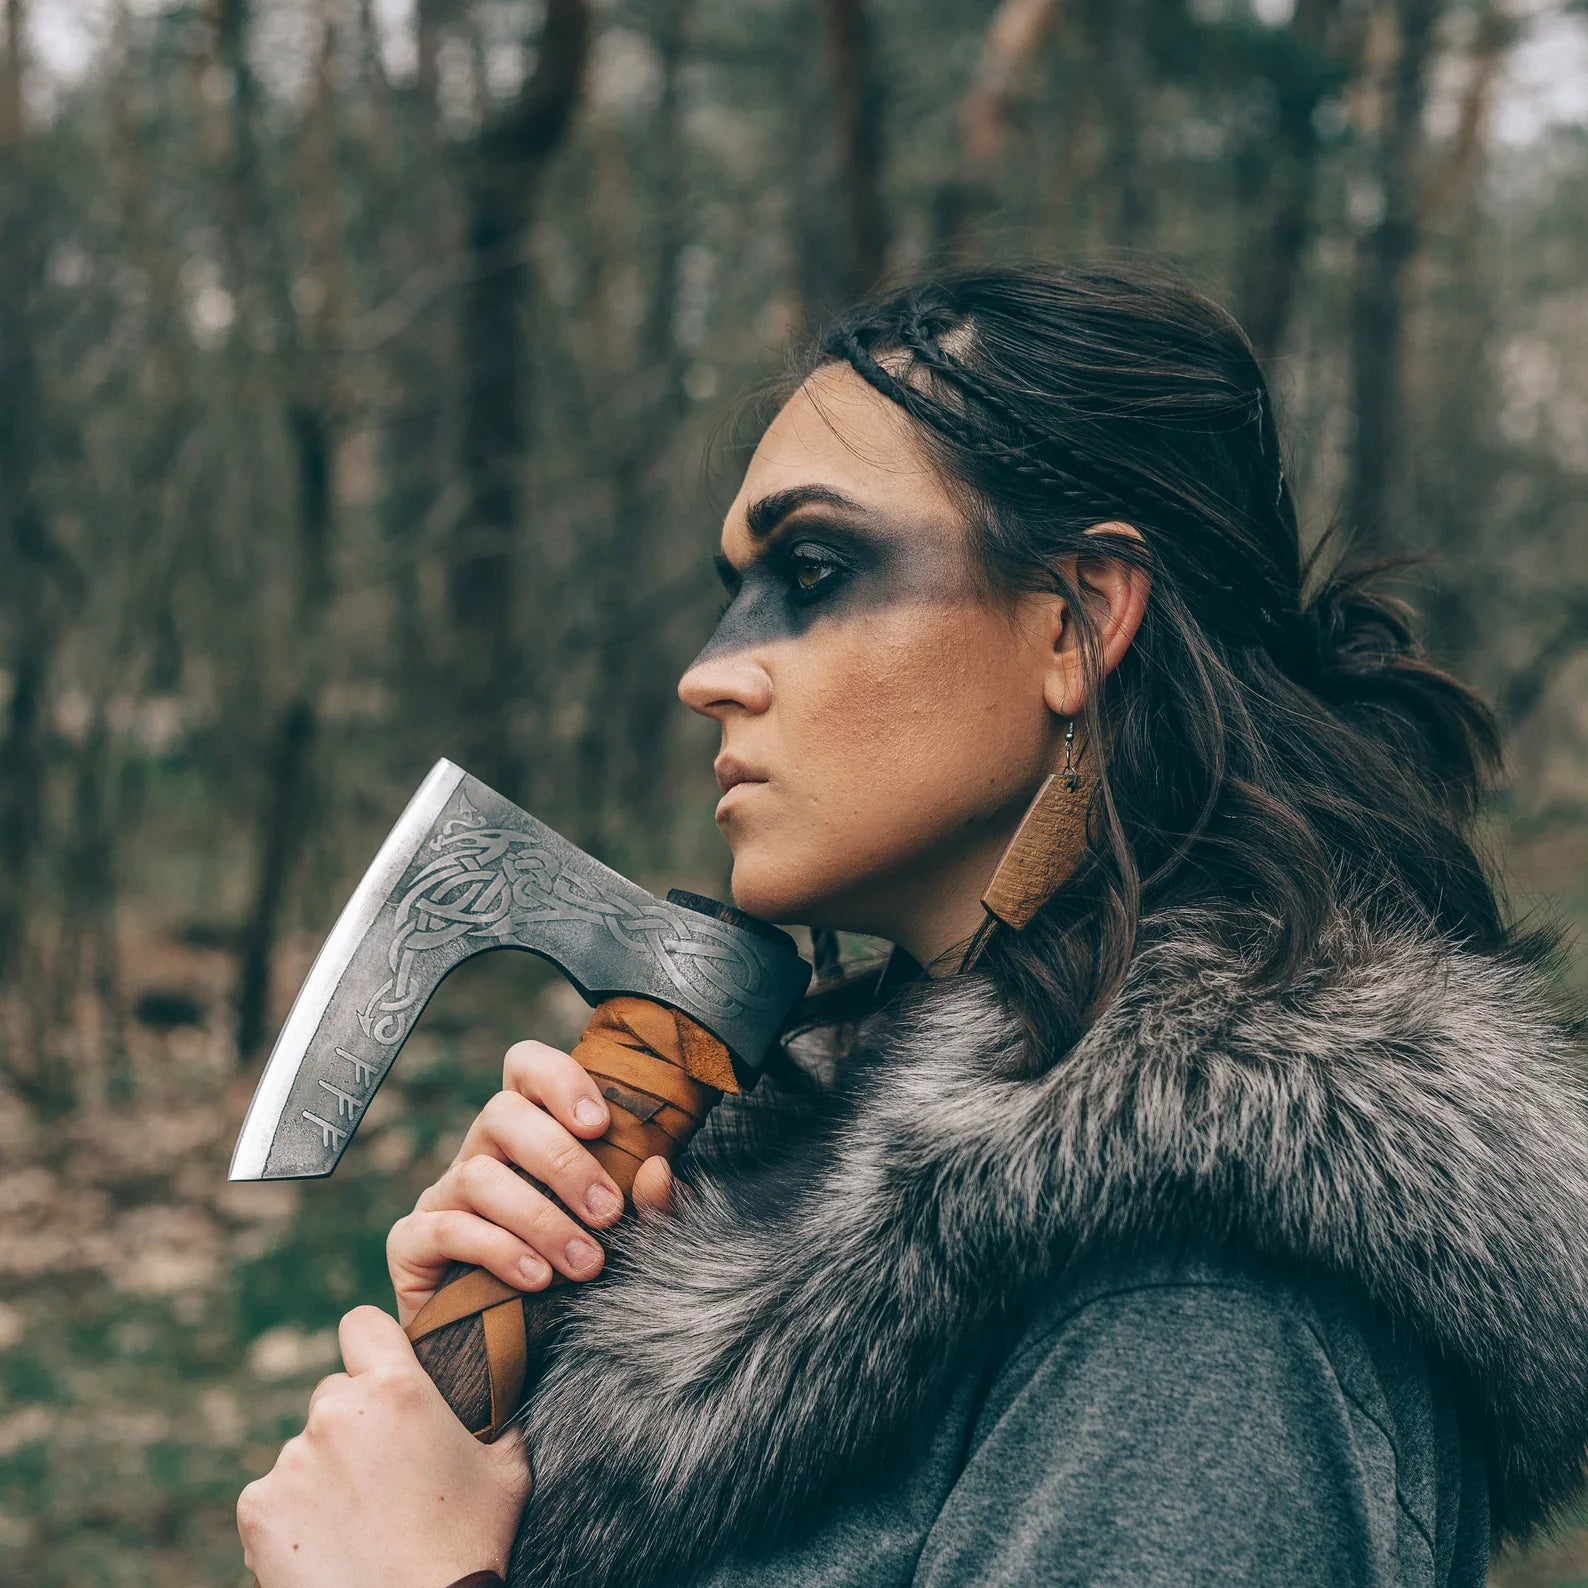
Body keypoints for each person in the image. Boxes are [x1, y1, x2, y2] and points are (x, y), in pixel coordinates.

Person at [236, 262, 1588, 1588]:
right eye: (733, 590)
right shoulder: (819, 1172)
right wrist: (520, 1379)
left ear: (1076, 621)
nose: (711, 673)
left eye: (815, 569)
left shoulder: (1200, 1305)